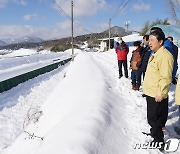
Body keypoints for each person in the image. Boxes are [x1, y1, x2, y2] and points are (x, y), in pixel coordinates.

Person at [142, 30, 174, 150]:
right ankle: (155, 133)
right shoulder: (156, 53)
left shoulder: (165, 56)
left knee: (154, 119)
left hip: (157, 94)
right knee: (153, 118)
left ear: (160, 42)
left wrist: (160, 93)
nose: (149, 43)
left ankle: (159, 141)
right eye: (149, 40)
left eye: (152, 40)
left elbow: (165, 77)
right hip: (151, 92)